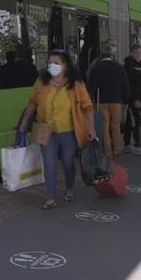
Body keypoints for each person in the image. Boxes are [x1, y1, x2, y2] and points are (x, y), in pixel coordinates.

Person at [20, 51, 97, 210]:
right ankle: (51, 197)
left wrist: (90, 127)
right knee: (49, 164)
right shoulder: (42, 82)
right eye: (50, 62)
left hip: (68, 132)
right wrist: (24, 122)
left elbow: (88, 107)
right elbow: (32, 102)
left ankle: (69, 188)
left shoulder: (76, 85)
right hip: (45, 131)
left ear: (66, 66)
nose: (51, 66)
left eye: (56, 63)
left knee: (68, 163)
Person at [87, 43, 129, 157]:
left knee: (104, 127)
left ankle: (108, 150)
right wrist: (125, 101)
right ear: (111, 56)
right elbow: (125, 85)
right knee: (116, 125)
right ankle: (118, 149)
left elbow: (92, 85)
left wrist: (91, 98)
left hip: (102, 101)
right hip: (117, 100)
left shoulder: (97, 67)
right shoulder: (119, 67)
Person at [123, 42, 141, 155]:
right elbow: (130, 84)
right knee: (134, 122)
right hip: (133, 99)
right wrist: (135, 99)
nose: (139, 54)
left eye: (140, 52)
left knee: (134, 121)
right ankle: (135, 145)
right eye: (137, 52)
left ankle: (129, 144)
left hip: (140, 98)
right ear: (131, 53)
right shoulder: (128, 66)